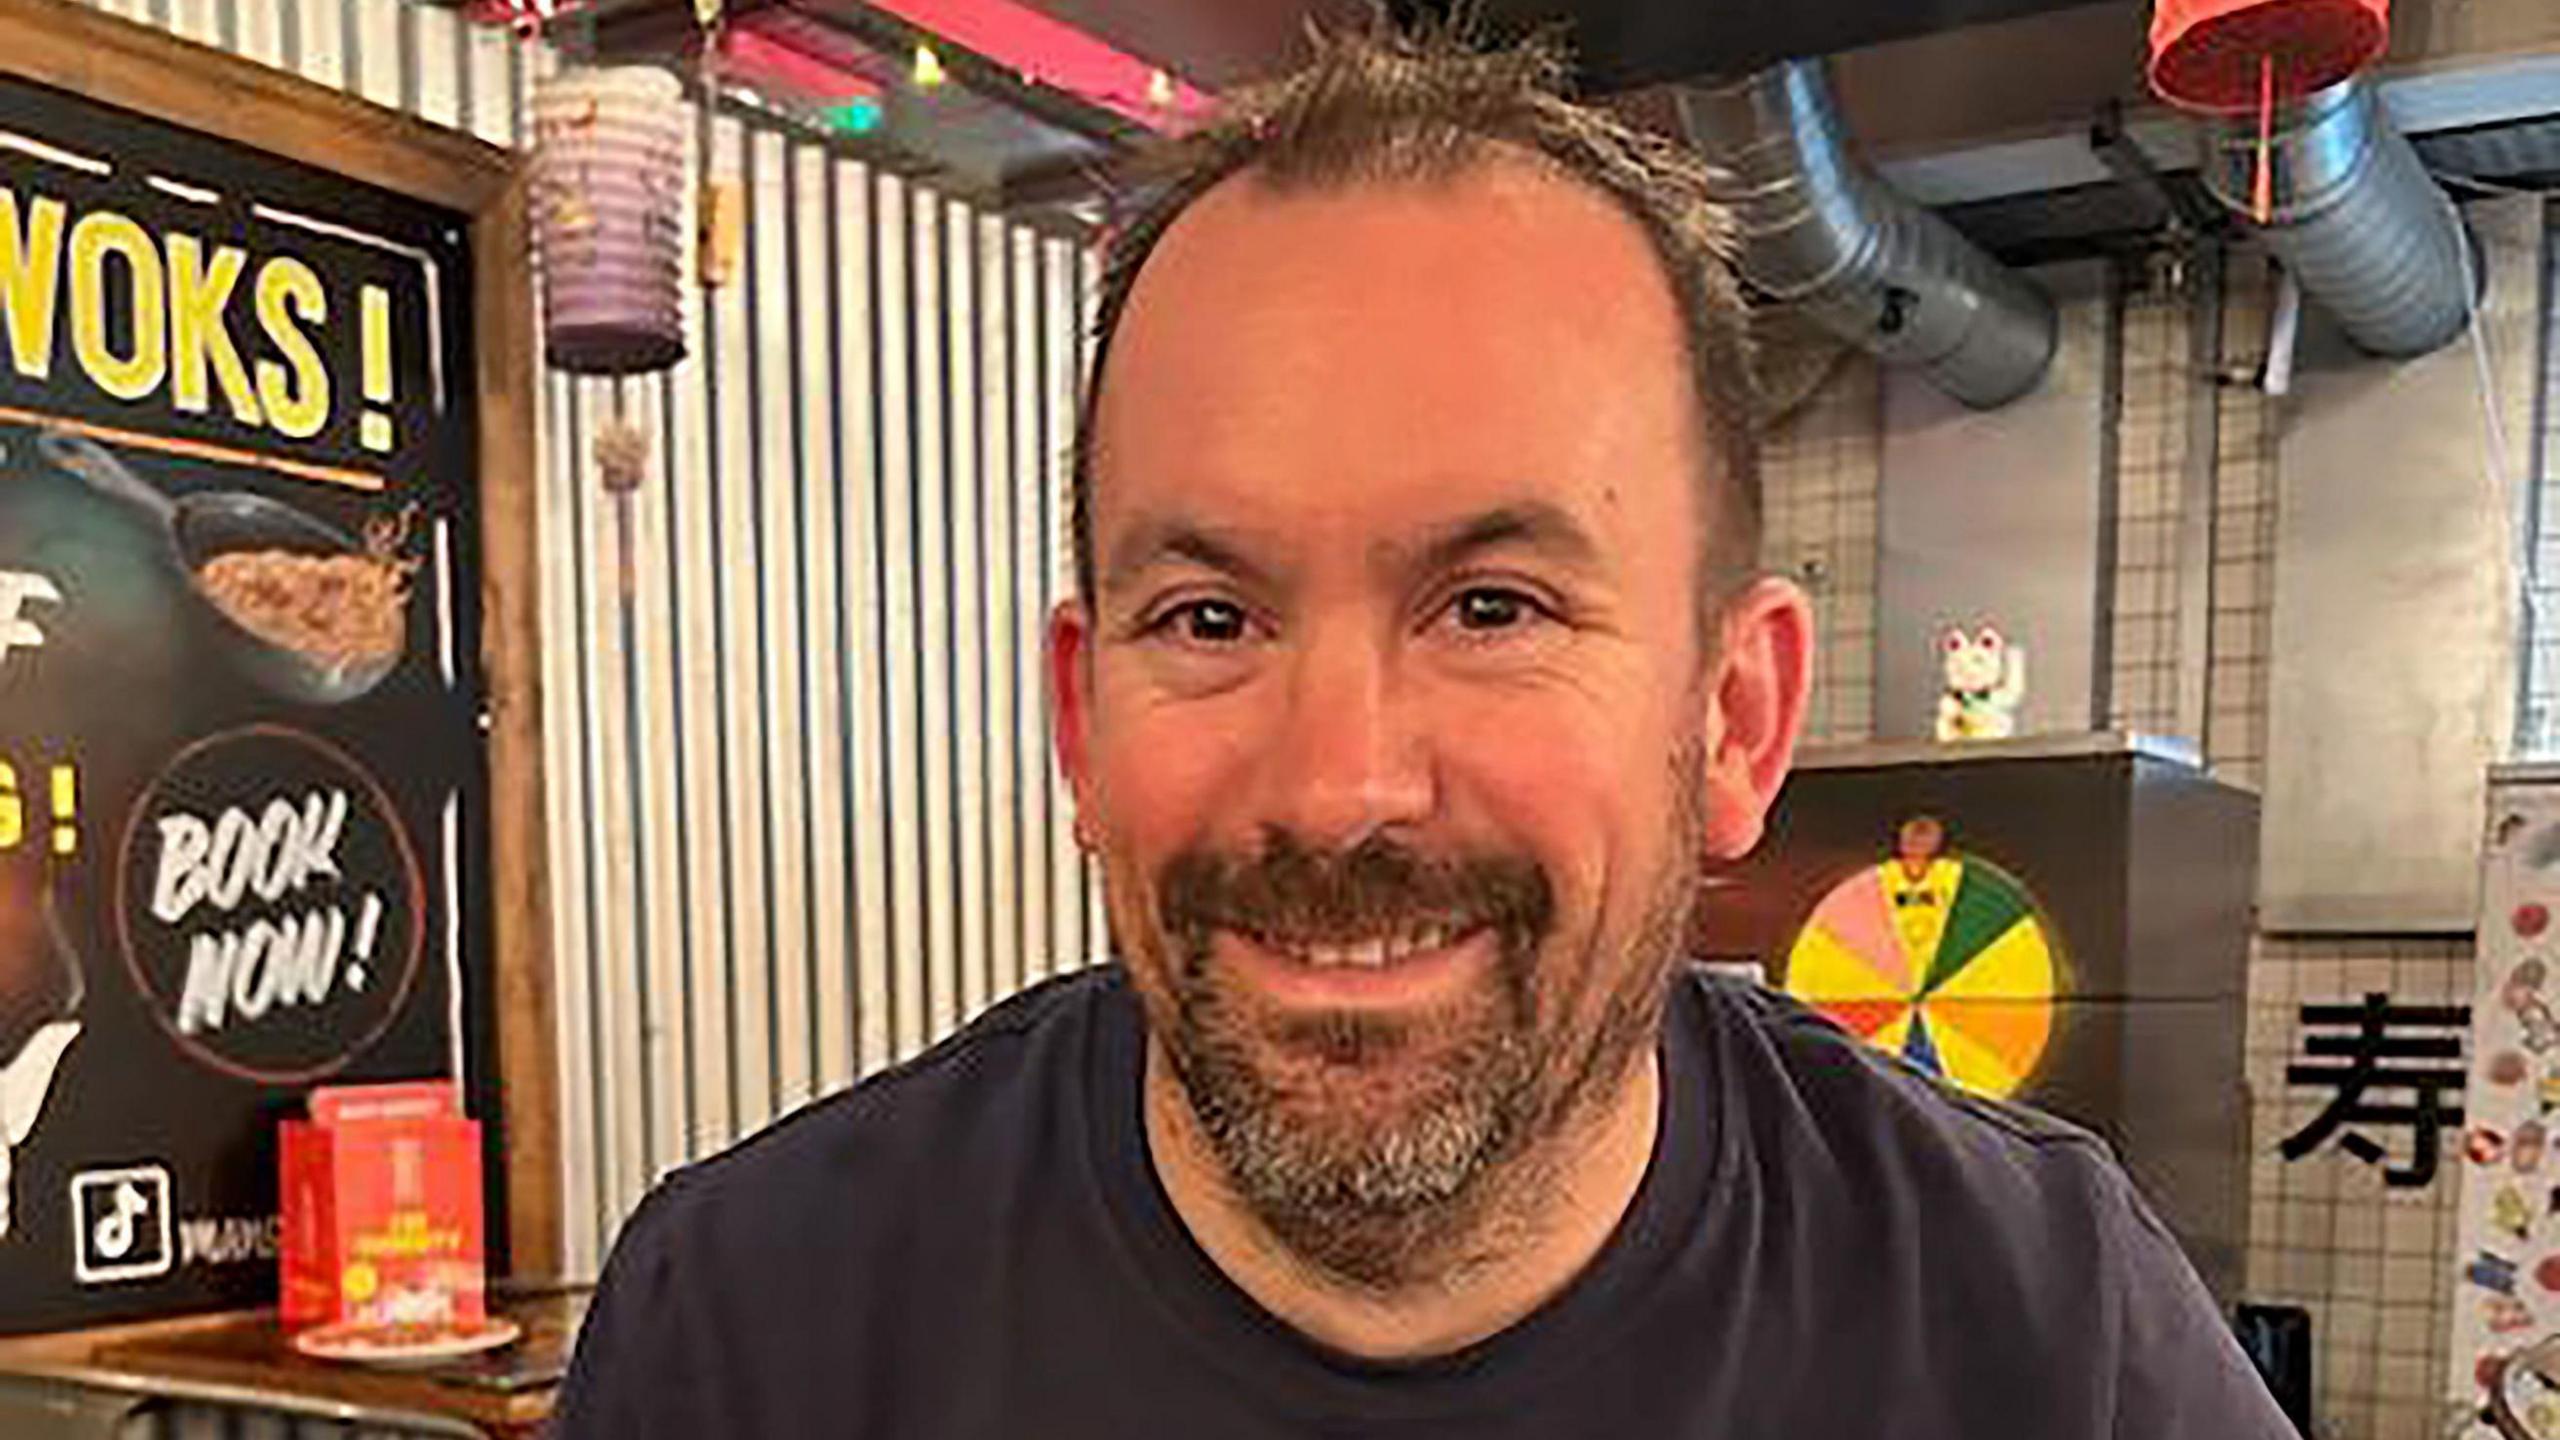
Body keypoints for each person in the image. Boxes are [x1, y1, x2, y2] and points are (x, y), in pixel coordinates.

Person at [553, 17, 2294, 1437]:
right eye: (1212, 619)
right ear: (1083, 725)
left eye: (1493, 608)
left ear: (1735, 721)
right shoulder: (760, 1330)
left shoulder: (2039, 1335)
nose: (1339, 787)